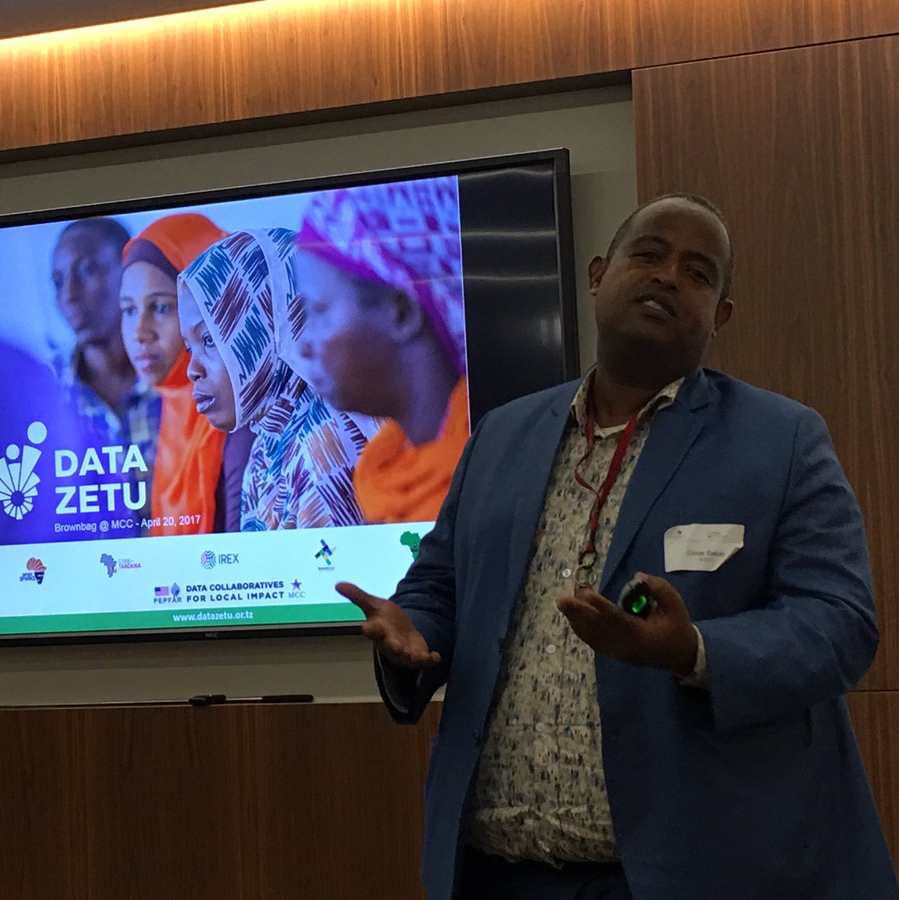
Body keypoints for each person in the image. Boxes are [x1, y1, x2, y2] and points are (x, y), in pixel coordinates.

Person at [337, 194, 899, 900]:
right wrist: (413, 632)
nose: (667, 276)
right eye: (649, 254)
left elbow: (840, 624)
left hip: (684, 873)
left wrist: (693, 651)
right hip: (495, 870)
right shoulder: (501, 435)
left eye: (697, 273)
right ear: (599, 274)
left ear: (721, 314)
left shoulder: (781, 441)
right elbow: (440, 587)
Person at [295, 177, 469, 524]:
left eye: (318, 311)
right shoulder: (384, 470)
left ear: (400, 313)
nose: (303, 344)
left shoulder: (489, 485)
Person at [177, 227, 369, 531]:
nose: (192, 369)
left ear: (266, 327)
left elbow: (328, 564)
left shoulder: (322, 445)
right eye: (190, 348)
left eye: (210, 340)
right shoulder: (268, 443)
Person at [118, 212, 241, 536]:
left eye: (161, 307)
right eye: (129, 310)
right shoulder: (155, 414)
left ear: (210, 307)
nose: (139, 332)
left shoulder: (246, 422)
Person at [51, 217, 161, 488]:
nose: (69, 295)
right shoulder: (43, 390)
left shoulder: (185, 378)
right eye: (58, 281)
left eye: (87, 270)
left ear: (129, 272)